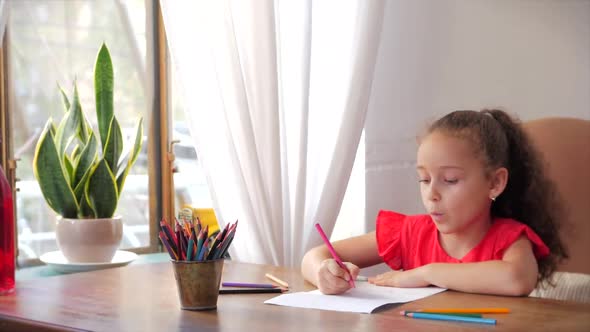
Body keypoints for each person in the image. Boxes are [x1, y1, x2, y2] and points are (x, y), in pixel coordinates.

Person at [301, 109, 568, 296]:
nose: (432, 194)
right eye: (424, 179)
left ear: (495, 183)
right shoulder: (409, 233)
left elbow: (517, 279)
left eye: (450, 180)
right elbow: (314, 256)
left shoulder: (509, 240)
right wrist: (324, 273)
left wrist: (425, 274)